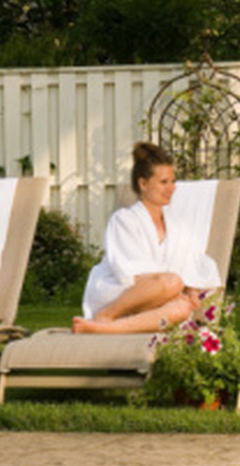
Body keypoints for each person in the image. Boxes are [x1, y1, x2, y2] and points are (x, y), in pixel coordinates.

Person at [73, 141, 221, 335]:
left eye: (173, 181)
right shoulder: (124, 220)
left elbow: (191, 261)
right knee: (173, 282)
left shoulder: (177, 227)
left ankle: (105, 328)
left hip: (158, 297)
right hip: (120, 293)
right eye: (163, 182)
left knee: (182, 308)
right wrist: (176, 284)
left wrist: (192, 288)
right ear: (143, 184)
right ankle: (106, 315)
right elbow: (128, 271)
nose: (171, 188)